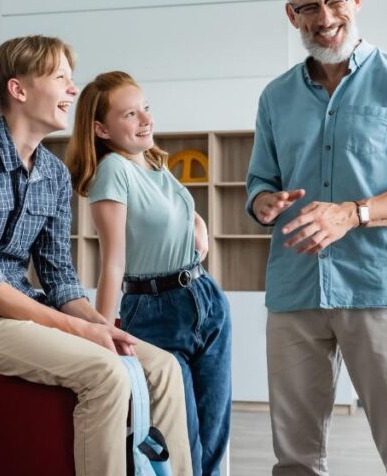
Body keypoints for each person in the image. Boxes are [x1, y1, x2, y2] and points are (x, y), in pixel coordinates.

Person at [0, 36, 192, 476]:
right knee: (106, 373)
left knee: (163, 367)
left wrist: (101, 327)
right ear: (19, 90)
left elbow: (60, 282)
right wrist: (81, 329)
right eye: (61, 78)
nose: (73, 91)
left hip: (19, 317)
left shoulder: (55, 174)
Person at [246, 0, 387, 476]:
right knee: (294, 461)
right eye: (309, 6)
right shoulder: (276, 97)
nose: (325, 16)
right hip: (294, 291)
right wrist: (262, 203)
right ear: (292, 15)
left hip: (377, 288)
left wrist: (353, 214)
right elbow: (260, 183)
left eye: (336, 0)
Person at [67, 71, 231, 476]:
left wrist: (199, 222)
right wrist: (102, 336)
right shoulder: (113, 173)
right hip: (156, 310)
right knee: (183, 439)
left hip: (205, 298)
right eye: (130, 114)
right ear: (101, 128)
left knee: (213, 433)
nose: (145, 120)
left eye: (146, 109)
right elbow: (113, 262)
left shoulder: (155, 162)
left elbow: (168, 211)